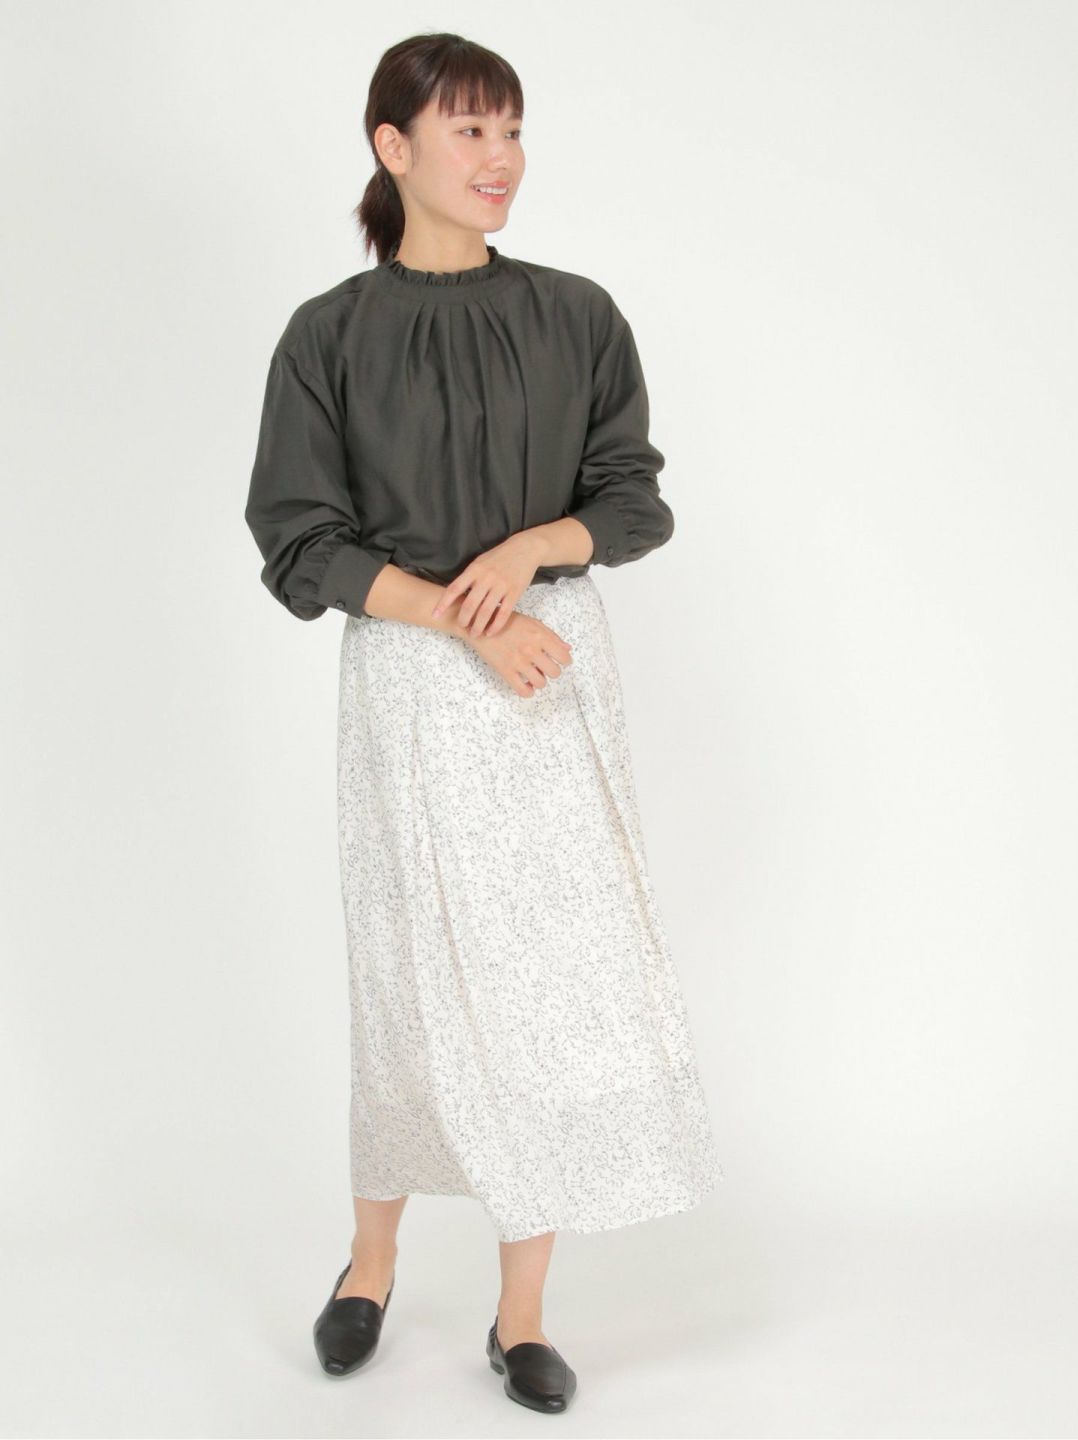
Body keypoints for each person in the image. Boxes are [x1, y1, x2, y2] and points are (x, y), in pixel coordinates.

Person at [244, 32, 723, 1413]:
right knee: (407, 976)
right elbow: (300, 541)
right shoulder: (328, 336)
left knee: (550, 986)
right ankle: (372, 1262)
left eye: (511, 129)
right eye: (469, 131)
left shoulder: (576, 314)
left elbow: (631, 497)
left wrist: (529, 553)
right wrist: (469, 616)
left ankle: (522, 1316)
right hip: (412, 672)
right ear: (393, 149)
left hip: (549, 674)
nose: (501, 157)